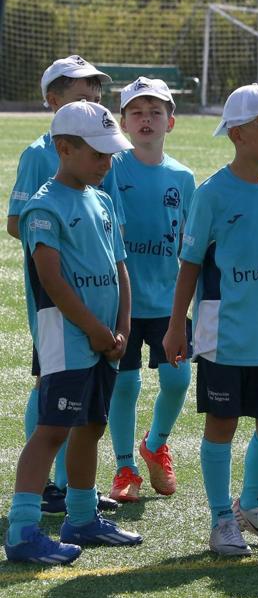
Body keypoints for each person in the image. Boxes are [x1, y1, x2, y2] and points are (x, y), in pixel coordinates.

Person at [163, 84, 258, 556]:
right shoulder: (212, 194)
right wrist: (175, 324)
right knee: (221, 424)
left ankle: (252, 506)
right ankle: (221, 518)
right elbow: (190, 264)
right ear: (239, 134)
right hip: (223, 335)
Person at [5, 101, 143, 564]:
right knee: (51, 432)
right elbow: (52, 279)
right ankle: (23, 530)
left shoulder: (101, 198)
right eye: (98, 154)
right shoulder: (44, 206)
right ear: (64, 148)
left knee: (92, 425)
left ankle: (81, 517)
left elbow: (120, 267)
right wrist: (96, 331)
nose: (107, 163)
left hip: (105, 338)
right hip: (67, 338)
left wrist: (121, 328)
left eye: (110, 155)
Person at [8, 56, 121, 515]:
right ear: (53, 102)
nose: (93, 102)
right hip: (61, 304)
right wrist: (66, 245)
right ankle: (46, 495)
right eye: (81, 95)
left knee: (88, 413)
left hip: (96, 304)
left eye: (97, 95)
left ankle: (75, 498)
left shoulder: (97, 164)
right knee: (50, 391)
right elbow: (21, 222)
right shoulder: (42, 154)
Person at [101, 78, 196, 503]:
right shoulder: (111, 166)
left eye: (155, 112)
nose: (146, 119)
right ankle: (125, 466)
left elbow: (190, 246)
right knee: (125, 385)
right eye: (136, 112)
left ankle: (155, 442)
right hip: (120, 300)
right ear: (122, 122)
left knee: (178, 378)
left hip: (167, 300)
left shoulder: (183, 176)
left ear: (170, 122)